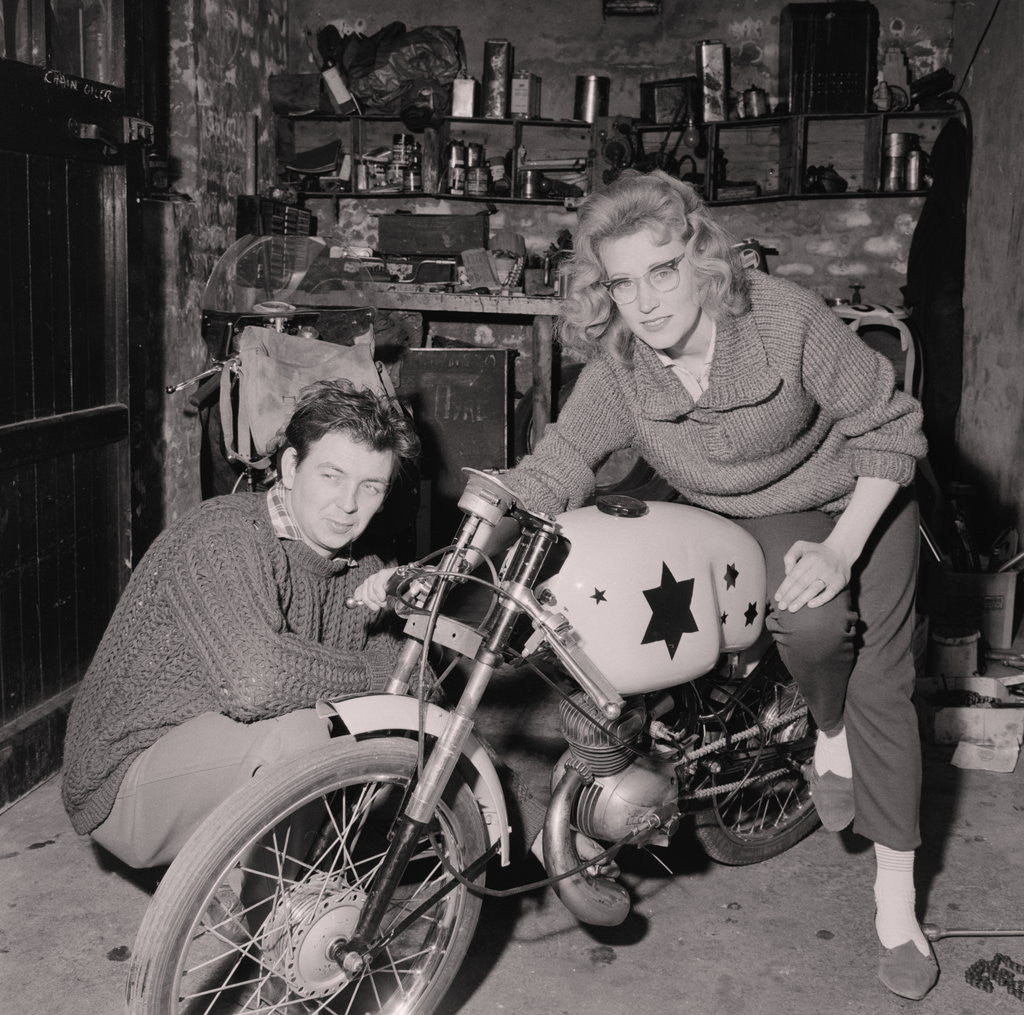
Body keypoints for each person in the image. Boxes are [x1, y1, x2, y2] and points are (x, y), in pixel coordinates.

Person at [499, 169, 935, 1000]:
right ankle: (825, 721)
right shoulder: (624, 363)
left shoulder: (782, 318)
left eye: (661, 271)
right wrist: (486, 514)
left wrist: (842, 550)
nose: (648, 302)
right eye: (623, 283)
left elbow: (891, 427)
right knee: (806, 632)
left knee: (880, 683)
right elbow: (559, 460)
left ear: (699, 260)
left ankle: (895, 897)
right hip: (759, 513)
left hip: (862, 496)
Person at [61, 379, 420, 870]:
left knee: (374, 739)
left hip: (220, 748)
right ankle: (265, 931)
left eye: (371, 486)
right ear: (291, 467)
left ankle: (294, 887)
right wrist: (379, 675)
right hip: (124, 778)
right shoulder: (224, 536)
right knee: (306, 736)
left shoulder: (363, 565)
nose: (349, 505)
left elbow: (419, 691)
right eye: (332, 476)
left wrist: (405, 615)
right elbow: (258, 679)